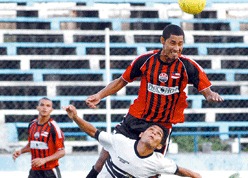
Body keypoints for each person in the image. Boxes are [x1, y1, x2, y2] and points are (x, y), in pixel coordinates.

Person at [85, 24, 224, 177]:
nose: (177, 48)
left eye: (180, 44)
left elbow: (206, 90)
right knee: (103, 158)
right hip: (136, 118)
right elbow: (121, 81)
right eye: (173, 43)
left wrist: (211, 95)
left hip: (161, 127)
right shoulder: (145, 60)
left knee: (153, 171)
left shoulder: (188, 66)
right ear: (162, 41)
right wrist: (99, 95)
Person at [64, 104, 202, 178]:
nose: (153, 132)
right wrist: (75, 117)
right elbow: (93, 131)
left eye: (158, 133)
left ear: (160, 145)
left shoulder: (158, 162)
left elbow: (182, 171)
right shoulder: (120, 142)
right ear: (141, 134)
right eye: (151, 130)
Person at [12, 97, 65, 178]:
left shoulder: (53, 127)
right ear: (37, 108)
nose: (45, 108)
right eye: (42, 105)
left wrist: (44, 160)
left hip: (50, 171)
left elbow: (61, 152)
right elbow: (32, 144)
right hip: (34, 171)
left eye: (48, 106)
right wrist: (21, 151)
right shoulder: (32, 124)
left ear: (51, 110)